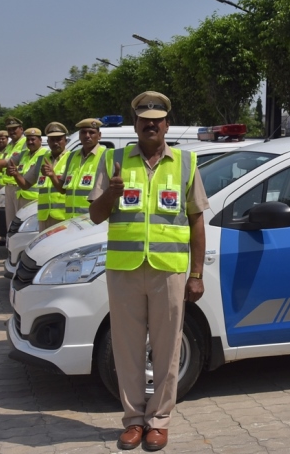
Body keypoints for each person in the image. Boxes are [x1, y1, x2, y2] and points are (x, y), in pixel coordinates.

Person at [89, 91, 208, 451]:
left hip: (168, 272)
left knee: (167, 349)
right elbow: (95, 215)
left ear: (167, 124)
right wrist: (111, 194)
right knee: (126, 348)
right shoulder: (113, 160)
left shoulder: (185, 162)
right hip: (124, 270)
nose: (151, 125)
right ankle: (133, 420)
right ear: (135, 124)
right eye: (145, 120)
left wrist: (196, 274)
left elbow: (196, 219)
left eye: (157, 120)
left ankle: (159, 421)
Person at [54, 117, 107, 220]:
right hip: (70, 219)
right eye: (83, 132)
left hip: (92, 219)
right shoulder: (71, 156)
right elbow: (63, 189)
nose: (87, 136)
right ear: (79, 136)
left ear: (99, 136)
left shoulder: (107, 155)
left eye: (91, 132)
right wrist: (52, 175)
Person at [0, 117, 26, 232]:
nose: (12, 132)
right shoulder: (10, 145)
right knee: (10, 221)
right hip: (8, 186)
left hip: (19, 187)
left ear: (21, 129)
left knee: (20, 222)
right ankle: (9, 241)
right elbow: (3, 167)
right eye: (9, 130)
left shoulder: (25, 143)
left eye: (14, 129)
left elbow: (8, 162)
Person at [36, 122, 70, 231]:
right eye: (52, 140)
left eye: (59, 139)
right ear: (47, 142)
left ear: (65, 140)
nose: (55, 143)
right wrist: (15, 173)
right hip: (44, 216)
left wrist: (52, 175)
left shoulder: (72, 158)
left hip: (63, 216)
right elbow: (26, 182)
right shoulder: (41, 159)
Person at [7, 127, 49, 210]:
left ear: (40, 140)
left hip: (35, 199)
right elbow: (8, 164)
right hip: (20, 196)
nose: (30, 142)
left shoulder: (45, 154)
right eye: (28, 140)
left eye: (33, 139)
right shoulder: (23, 154)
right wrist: (9, 171)